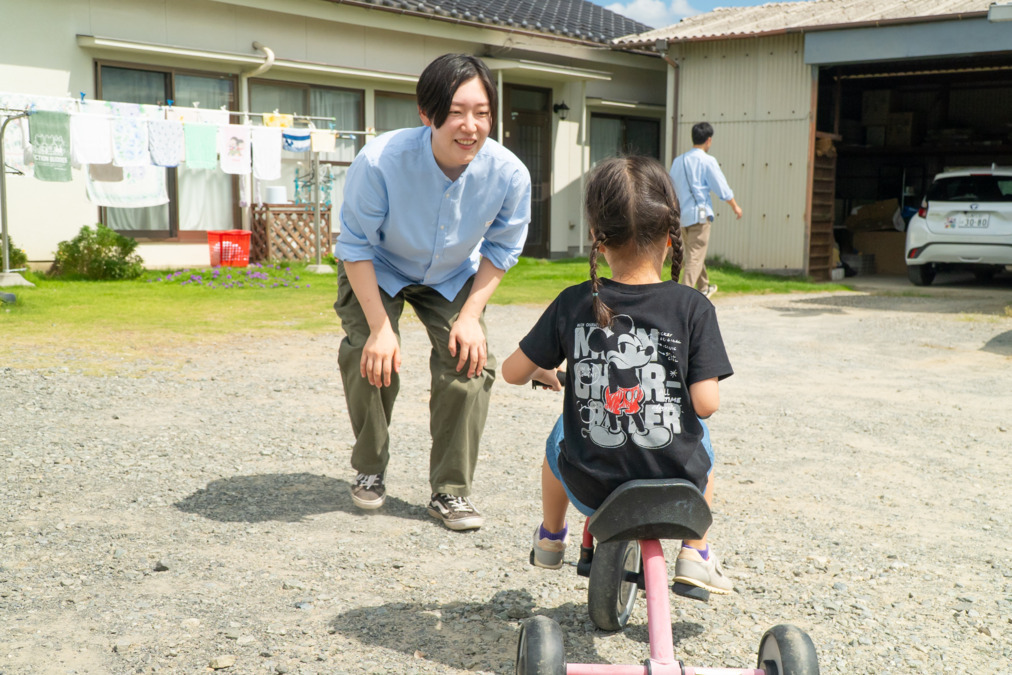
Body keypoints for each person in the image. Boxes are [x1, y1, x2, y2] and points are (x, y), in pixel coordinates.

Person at [501, 156, 734, 593]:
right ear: (670, 235)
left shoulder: (573, 302)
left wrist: (548, 370)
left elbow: (512, 372)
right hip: (675, 491)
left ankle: (551, 537)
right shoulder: (693, 307)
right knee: (699, 433)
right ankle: (695, 551)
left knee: (560, 434)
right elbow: (706, 404)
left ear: (596, 236)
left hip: (593, 487)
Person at [334, 53, 531, 531]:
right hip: (378, 265)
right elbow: (355, 246)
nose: (470, 126)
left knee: (471, 361)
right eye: (456, 112)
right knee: (369, 354)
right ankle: (370, 466)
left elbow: (503, 248)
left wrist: (470, 316)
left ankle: (450, 490)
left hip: (451, 273)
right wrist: (380, 328)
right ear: (427, 113)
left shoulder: (508, 174)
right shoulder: (380, 161)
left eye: (482, 113)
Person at [668, 121, 743, 299]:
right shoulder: (707, 161)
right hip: (699, 216)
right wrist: (735, 206)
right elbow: (721, 187)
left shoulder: (678, 161)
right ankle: (682, 297)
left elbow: (670, 187)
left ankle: (704, 286)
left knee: (694, 253)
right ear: (709, 140)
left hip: (680, 217)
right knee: (695, 256)